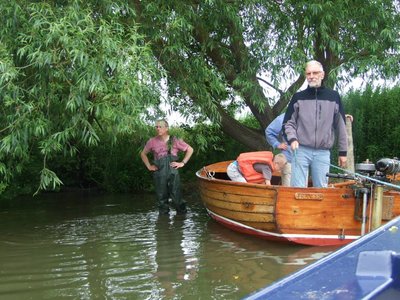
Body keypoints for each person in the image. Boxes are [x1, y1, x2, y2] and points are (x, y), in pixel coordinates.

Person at [283, 60, 347, 188]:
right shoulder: (298, 97)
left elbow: (341, 126)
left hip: (323, 152)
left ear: (322, 75)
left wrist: (343, 152)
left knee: (322, 190)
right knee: (297, 189)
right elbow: (288, 123)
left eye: (315, 73)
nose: (311, 76)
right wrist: (292, 139)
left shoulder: (334, 96)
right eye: (308, 73)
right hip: (300, 150)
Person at [140, 119, 194, 214]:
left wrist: (182, 163)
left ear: (166, 128)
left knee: (177, 197)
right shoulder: (152, 141)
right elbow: (143, 154)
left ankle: (182, 216)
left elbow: (190, 149)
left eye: (160, 126)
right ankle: (163, 223)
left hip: (173, 171)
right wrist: (149, 166)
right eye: (156, 127)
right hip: (159, 173)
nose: (158, 128)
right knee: (161, 199)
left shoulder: (175, 140)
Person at [265, 113, 292, 186]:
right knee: (288, 193)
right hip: (288, 161)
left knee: (302, 192)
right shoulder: (284, 118)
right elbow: (269, 131)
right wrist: (277, 144)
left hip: (303, 163)